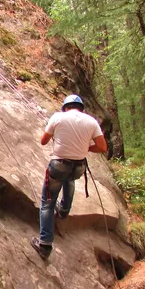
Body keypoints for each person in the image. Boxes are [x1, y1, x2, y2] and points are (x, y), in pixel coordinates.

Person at [31, 94, 107, 260]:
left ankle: (44, 245)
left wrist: (56, 135)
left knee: (47, 204)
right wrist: (86, 148)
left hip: (59, 165)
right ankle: (64, 209)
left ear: (65, 107)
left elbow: (43, 141)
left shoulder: (58, 117)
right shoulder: (91, 121)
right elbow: (102, 147)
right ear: (81, 108)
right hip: (78, 167)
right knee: (69, 179)